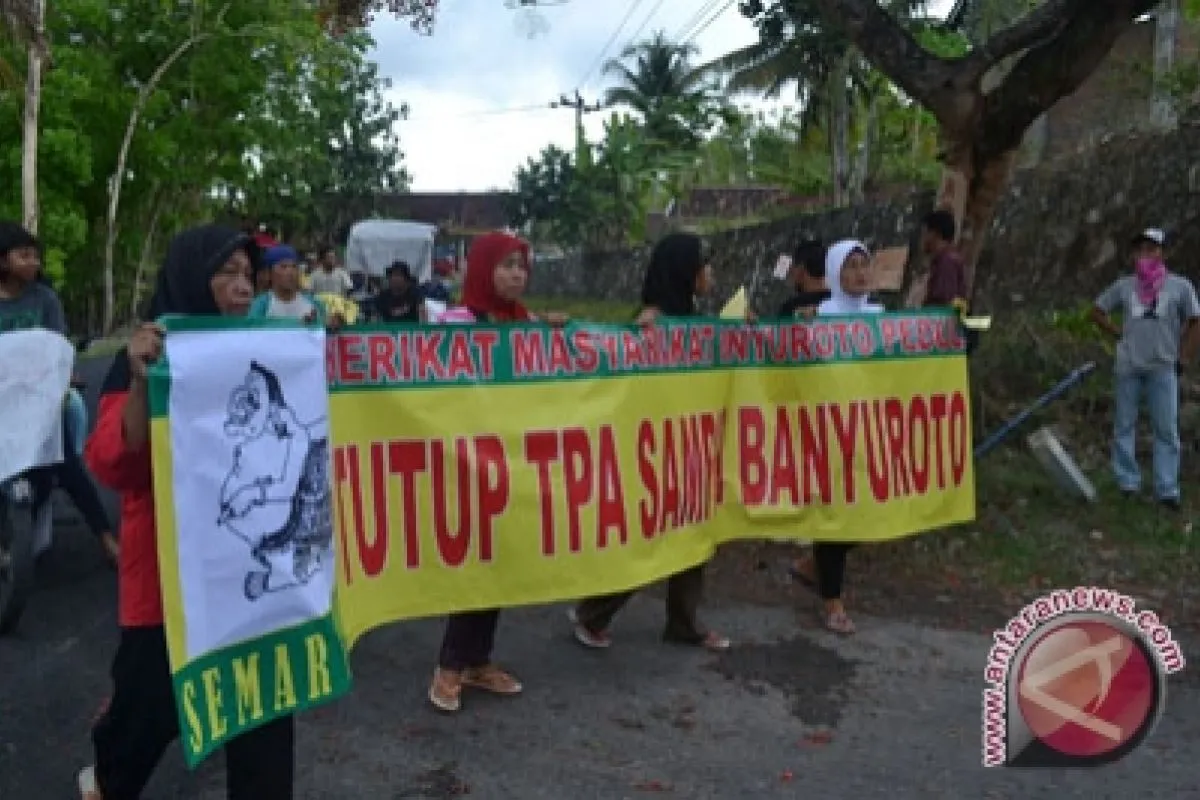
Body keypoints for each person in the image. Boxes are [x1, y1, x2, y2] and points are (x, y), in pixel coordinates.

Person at [79, 224, 295, 800]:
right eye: (227, 273)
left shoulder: (272, 354)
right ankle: (105, 780)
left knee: (264, 727)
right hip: (169, 580)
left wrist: (332, 352)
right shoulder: (149, 355)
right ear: (190, 279)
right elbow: (113, 464)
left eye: (249, 275)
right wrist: (142, 384)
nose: (244, 287)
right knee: (146, 714)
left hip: (255, 579)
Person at [427, 230, 568, 714]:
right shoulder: (455, 324)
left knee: (500, 561)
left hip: (511, 463)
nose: (516, 275)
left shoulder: (525, 323)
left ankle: (477, 661)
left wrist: (556, 336)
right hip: (465, 463)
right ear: (484, 269)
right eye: (506, 265)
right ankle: (449, 666)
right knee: (475, 562)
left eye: (522, 266)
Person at [570, 232, 731, 653]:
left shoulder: (692, 321)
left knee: (694, 536)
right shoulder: (650, 324)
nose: (710, 273)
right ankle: (593, 613)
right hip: (653, 452)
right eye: (704, 265)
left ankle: (683, 623)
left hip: (689, 445)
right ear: (685, 271)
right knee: (650, 539)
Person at [0, 221, 119, 564]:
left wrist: (64, 378)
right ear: (3, 260)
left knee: (68, 464)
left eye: (35, 256)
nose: (33, 262)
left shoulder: (45, 299)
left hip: (39, 401)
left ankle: (107, 538)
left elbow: (56, 346)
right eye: (24, 255)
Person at [789, 240, 883, 635]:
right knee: (837, 515)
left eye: (864, 265)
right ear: (833, 272)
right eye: (850, 266)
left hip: (869, 429)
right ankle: (832, 601)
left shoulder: (882, 318)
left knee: (869, 512)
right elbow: (781, 354)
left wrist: (959, 325)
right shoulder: (815, 317)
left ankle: (812, 566)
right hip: (826, 431)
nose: (860, 273)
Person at [1092, 227, 1200, 510]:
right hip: (1129, 365)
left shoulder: (1179, 286)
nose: (1145, 254)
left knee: (1166, 429)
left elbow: (1195, 320)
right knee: (1124, 425)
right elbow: (1097, 310)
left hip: (1163, 365)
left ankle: (1167, 489)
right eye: (1140, 250)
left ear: (1162, 253)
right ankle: (1127, 482)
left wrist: (1185, 356)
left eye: (1151, 249)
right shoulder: (1125, 286)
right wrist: (1118, 333)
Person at [247, 244, 329, 323]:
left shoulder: (314, 304)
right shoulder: (260, 305)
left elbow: (324, 328)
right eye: (283, 267)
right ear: (269, 273)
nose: (291, 272)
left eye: (294, 266)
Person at [919, 209, 967, 308]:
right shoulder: (939, 262)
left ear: (935, 234)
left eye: (925, 233)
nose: (922, 239)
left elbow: (942, 304)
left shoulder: (947, 263)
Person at [778, 238, 830, 318]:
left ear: (800, 269)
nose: (790, 272)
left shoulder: (791, 309)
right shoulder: (841, 301)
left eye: (793, 266)